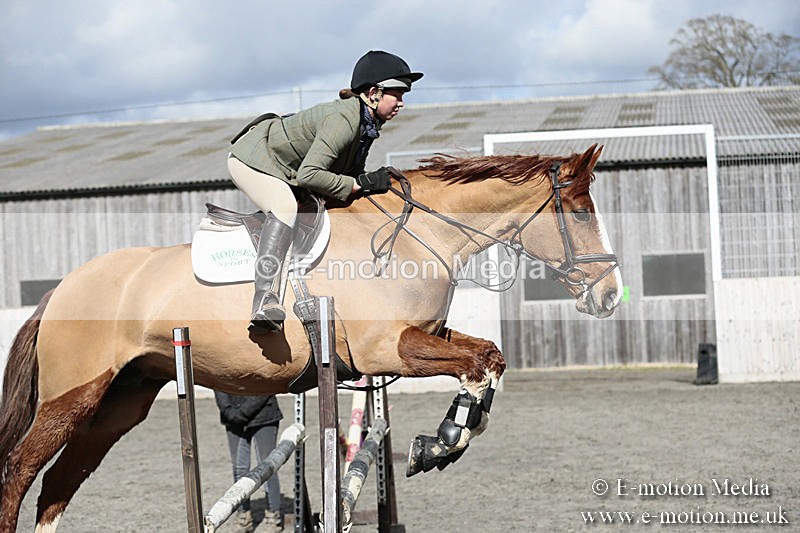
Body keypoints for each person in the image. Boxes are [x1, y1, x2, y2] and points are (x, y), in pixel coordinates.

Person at [227, 50, 424, 332]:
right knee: (285, 207)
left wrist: (367, 182)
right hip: (254, 160)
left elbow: (344, 177)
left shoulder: (365, 124)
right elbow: (310, 174)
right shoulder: (343, 121)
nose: (402, 103)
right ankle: (264, 301)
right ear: (373, 93)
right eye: (398, 94)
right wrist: (358, 184)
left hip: (288, 169)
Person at [214, 391, 284, 532]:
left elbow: (265, 381)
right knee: (239, 468)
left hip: (263, 413)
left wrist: (241, 413)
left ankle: (273, 513)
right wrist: (227, 409)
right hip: (233, 415)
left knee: (268, 466)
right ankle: (243, 514)